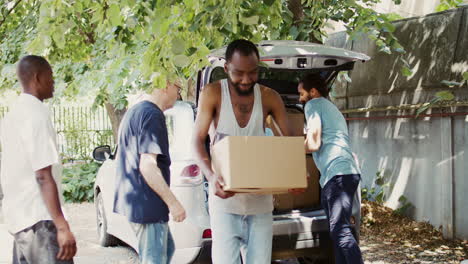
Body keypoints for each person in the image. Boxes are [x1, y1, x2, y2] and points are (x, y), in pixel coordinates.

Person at [192, 39, 290, 264]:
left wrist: (294, 171)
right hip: (225, 204)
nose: (246, 80)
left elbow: (289, 143)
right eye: (238, 73)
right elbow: (196, 141)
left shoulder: (269, 97)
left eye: (253, 73)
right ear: (226, 68)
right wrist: (210, 176)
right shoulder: (212, 94)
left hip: (261, 204)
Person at [0, 55, 77, 263]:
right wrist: (62, 226)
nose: (53, 82)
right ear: (38, 78)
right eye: (50, 76)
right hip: (41, 222)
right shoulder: (36, 114)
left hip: (21, 223)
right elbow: (42, 175)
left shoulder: (13, 114)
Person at [113, 82, 186, 264]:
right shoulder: (153, 115)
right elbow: (147, 165)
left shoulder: (136, 111)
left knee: (168, 249)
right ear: (165, 86)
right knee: (155, 259)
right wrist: (174, 203)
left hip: (138, 204)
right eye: (178, 88)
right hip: (148, 206)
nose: (179, 95)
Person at [298, 73, 363, 264]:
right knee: (337, 231)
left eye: (302, 94)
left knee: (340, 230)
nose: (300, 99)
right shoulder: (332, 108)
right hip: (344, 172)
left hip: (338, 173)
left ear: (313, 91)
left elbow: (314, 142)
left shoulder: (314, 105)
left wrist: (291, 149)